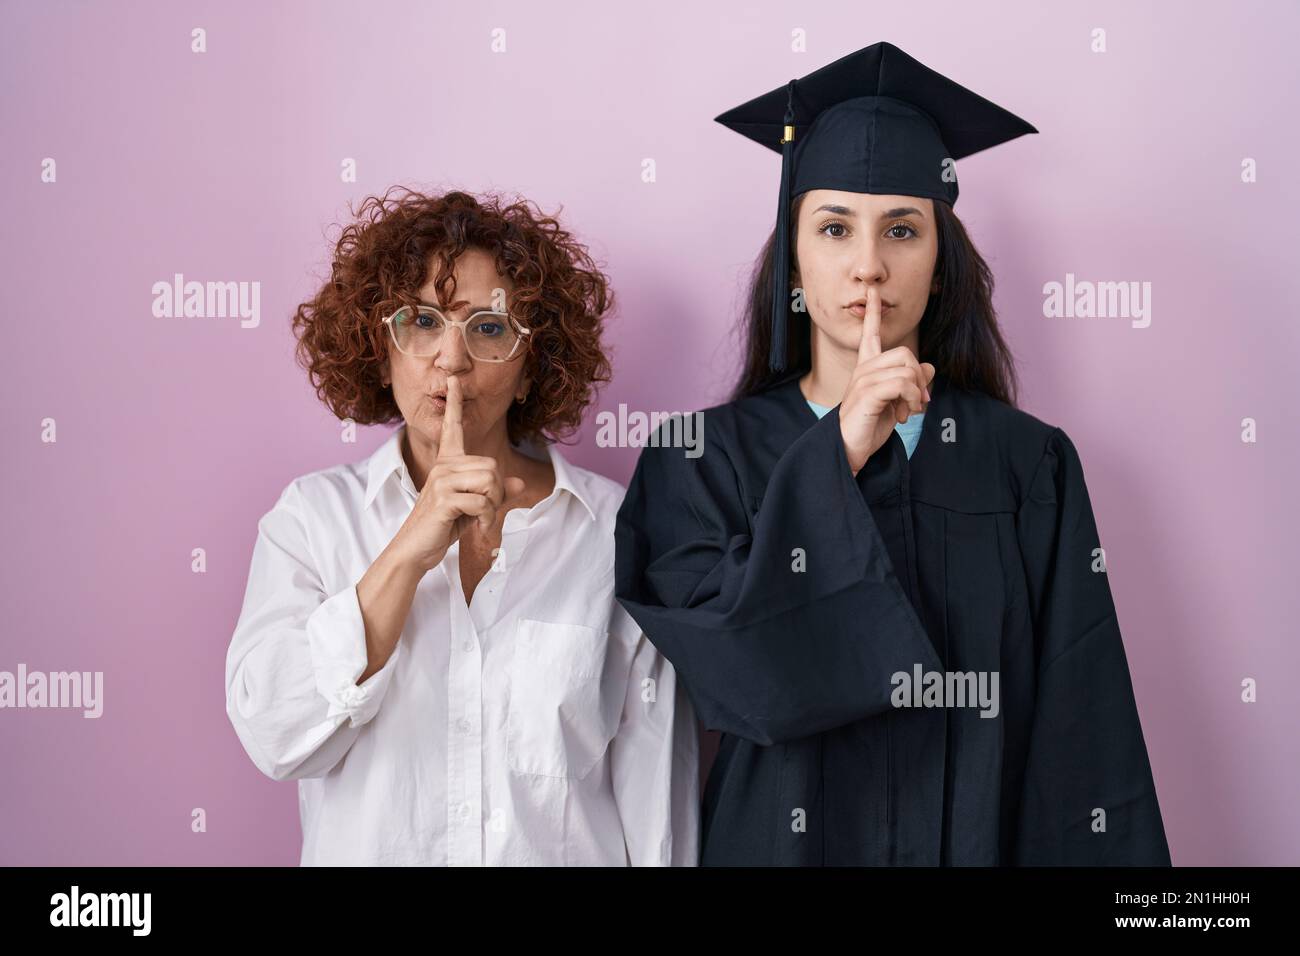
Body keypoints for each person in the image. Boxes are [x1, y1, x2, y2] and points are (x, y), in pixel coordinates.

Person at [614, 42, 1170, 865]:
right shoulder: (701, 460)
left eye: (903, 230)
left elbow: (1081, 731)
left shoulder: (1027, 467)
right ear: (794, 262)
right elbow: (739, 667)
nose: (868, 267)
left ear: (941, 264)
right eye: (834, 228)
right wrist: (835, 449)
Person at [226, 187, 699, 866]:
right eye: (420, 322)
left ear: (532, 362)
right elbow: (274, 734)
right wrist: (410, 549)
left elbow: (657, 801)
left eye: (488, 327)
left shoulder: (613, 534)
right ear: (377, 346)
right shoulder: (312, 520)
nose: (451, 359)